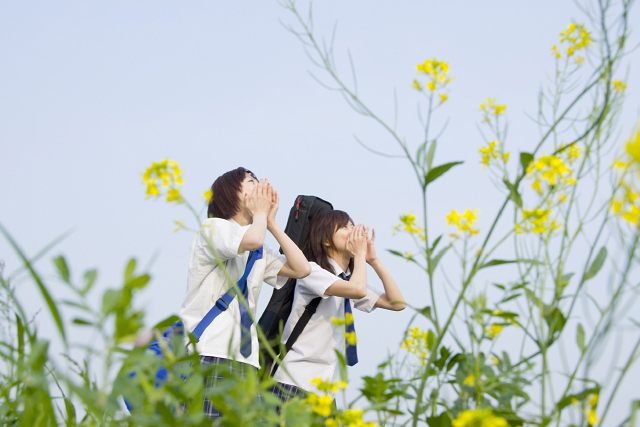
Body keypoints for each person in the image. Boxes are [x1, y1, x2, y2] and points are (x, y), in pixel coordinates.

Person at [179, 167, 311, 420]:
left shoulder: (258, 249)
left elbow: (301, 268)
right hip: (210, 354)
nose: (261, 186)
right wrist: (261, 214)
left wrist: (270, 222)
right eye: (252, 182)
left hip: (246, 362)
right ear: (231, 193)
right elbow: (251, 240)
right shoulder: (213, 228)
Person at [271, 209, 405, 401]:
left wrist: (373, 260)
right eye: (344, 227)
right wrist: (359, 256)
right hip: (295, 382)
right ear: (326, 240)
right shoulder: (313, 273)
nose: (353, 231)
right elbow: (358, 290)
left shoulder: (348, 281)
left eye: (353, 225)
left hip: (325, 389)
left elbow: (397, 303)